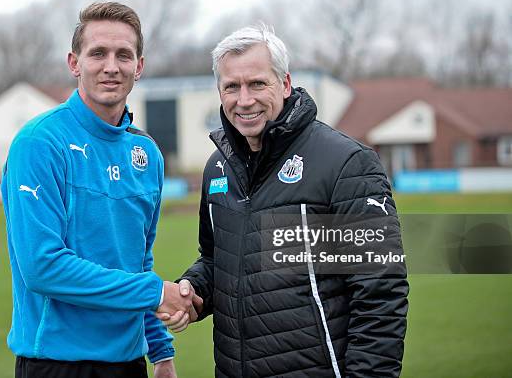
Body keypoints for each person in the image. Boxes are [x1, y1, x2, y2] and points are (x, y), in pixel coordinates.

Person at [157, 25, 409, 377]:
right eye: (232, 87)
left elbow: (380, 293)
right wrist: (193, 291)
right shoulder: (218, 168)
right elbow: (220, 260)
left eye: (257, 83)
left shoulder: (344, 164)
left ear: (285, 83)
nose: (244, 100)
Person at [1, 2, 199, 378]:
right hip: (56, 365)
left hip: (128, 365)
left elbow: (138, 263)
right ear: (74, 63)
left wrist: (160, 351)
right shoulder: (40, 142)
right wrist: (156, 293)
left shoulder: (148, 155)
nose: (111, 66)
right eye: (98, 54)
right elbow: (42, 267)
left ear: (138, 67)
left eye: (124, 55)